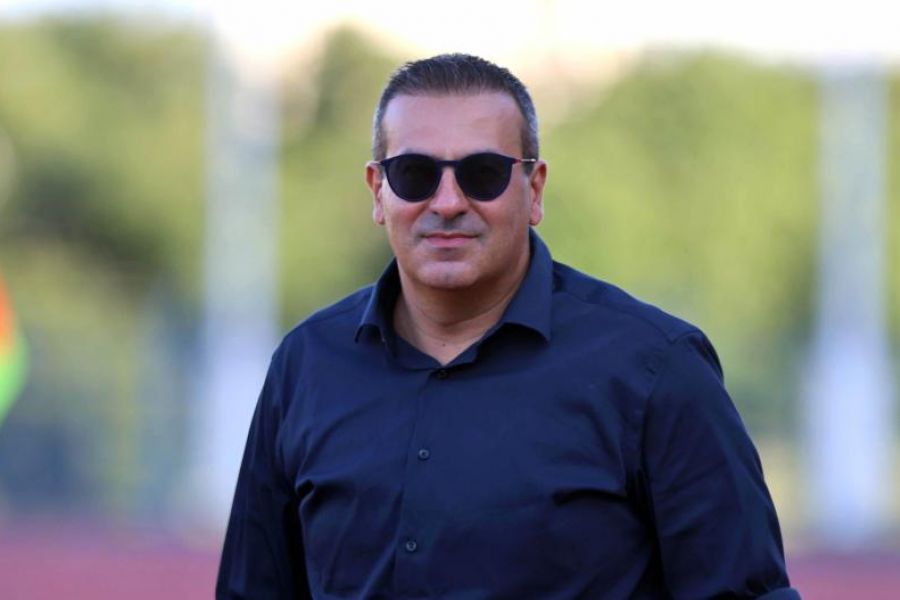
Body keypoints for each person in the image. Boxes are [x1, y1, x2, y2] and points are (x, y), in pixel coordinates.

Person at [217, 54, 800, 599]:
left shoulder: (656, 372)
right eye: (415, 173)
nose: (448, 202)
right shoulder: (306, 365)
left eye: (483, 173)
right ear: (378, 190)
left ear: (534, 189)